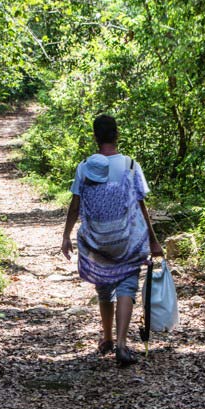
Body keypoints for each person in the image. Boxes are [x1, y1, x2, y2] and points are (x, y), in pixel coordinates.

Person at [61, 115, 163, 367]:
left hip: (97, 242)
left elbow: (75, 206)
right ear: (117, 135)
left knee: (104, 286)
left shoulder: (85, 167)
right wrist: (153, 240)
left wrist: (65, 236)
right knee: (127, 285)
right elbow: (141, 205)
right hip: (127, 240)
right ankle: (121, 344)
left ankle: (106, 337)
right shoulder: (130, 165)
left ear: (95, 137)